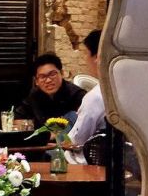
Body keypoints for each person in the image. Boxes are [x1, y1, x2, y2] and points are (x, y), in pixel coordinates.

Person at [14, 52, 86, 129]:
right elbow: (18, 118)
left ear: (62, 73)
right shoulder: (34, 95)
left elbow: (86, 125)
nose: (48, 80)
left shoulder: (77, 95)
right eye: (42, 77)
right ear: (36, 81)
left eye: (52, 74)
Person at [65, 30, 106, 163]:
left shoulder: (95, 96)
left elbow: (77, 140)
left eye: (86, 54)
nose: (85, 59)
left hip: (92, 161)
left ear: (97, 58)